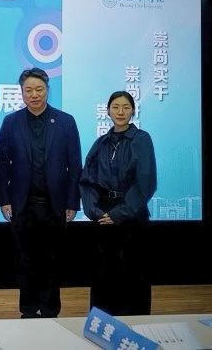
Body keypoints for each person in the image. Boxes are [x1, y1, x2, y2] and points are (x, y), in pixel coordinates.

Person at [0, 67, 81, 318]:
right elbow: (2, 163)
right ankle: (28, 310)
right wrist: (4, 199)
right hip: (22, 203)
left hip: (55, 204)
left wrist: (72, 202)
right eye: (29, 90)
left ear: (47, 90)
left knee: (52, 260)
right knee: (25, 260)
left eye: (39, 89)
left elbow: (75, 164)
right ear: (22, 93)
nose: (34, 95)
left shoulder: (66, 121)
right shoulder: (11, 122)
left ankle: (50, 310)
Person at [80, 91, 157, 316]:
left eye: (126, 107)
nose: (120, 112)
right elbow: (87, 180)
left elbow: (145, 181)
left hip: (132, 215)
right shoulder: (101, 142)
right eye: (115, 107)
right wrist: (94, 211)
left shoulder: (141, 139)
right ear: (108, 111)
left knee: (133, 272)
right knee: (103, 273)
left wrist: (120, 213)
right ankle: (103, 324)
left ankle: (135, 324)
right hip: (103, 215)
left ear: (133, 110)